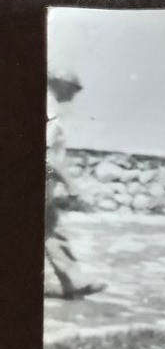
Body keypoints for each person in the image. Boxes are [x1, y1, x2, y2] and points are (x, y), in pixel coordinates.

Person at [45, 71, 106, 299]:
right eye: (72, 89)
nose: (73, 96)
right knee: (50, 228)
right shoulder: (49, 112)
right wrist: (71, 183)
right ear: (60, 85)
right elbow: (48, 155)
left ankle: (73, 280)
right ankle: (72, 280)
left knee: (50, 229)